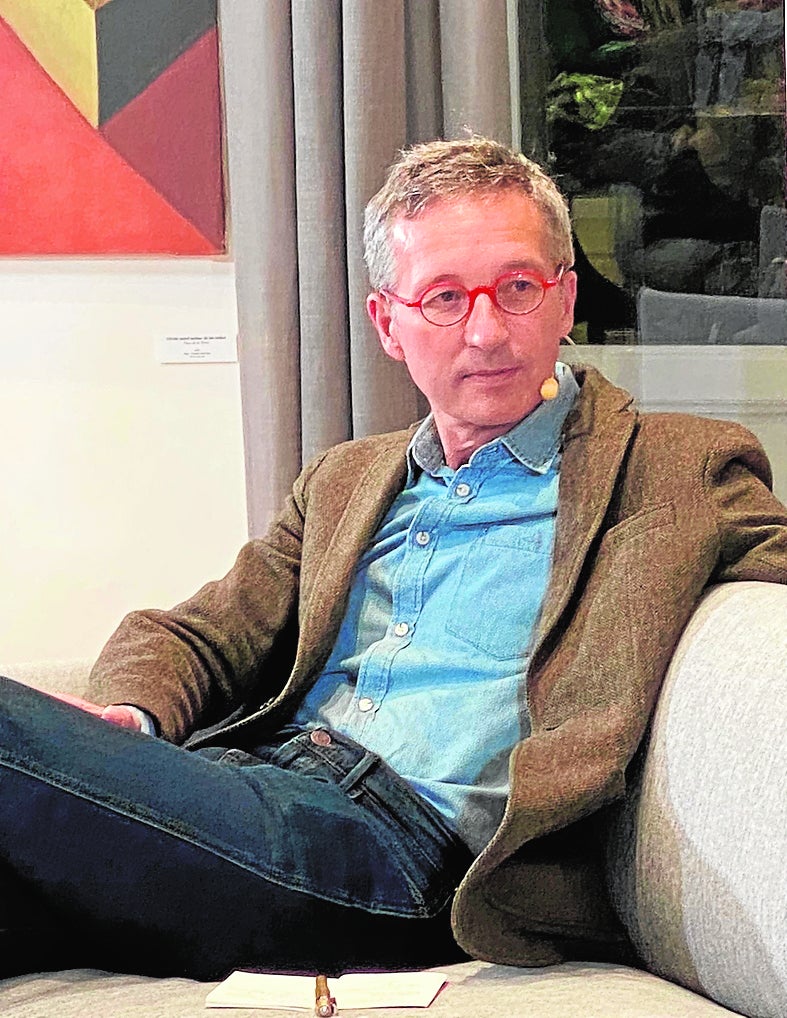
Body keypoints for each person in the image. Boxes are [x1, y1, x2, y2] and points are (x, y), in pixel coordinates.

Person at [1, 137, 786, 982]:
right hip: (248, 792)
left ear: (564, 298)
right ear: (388, 325)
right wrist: (132, 719)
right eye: (443, 298)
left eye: (517, 288)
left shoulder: (674, 467)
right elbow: (198, 633)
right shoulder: (345, 480)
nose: (485, 330)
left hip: (403, 854)